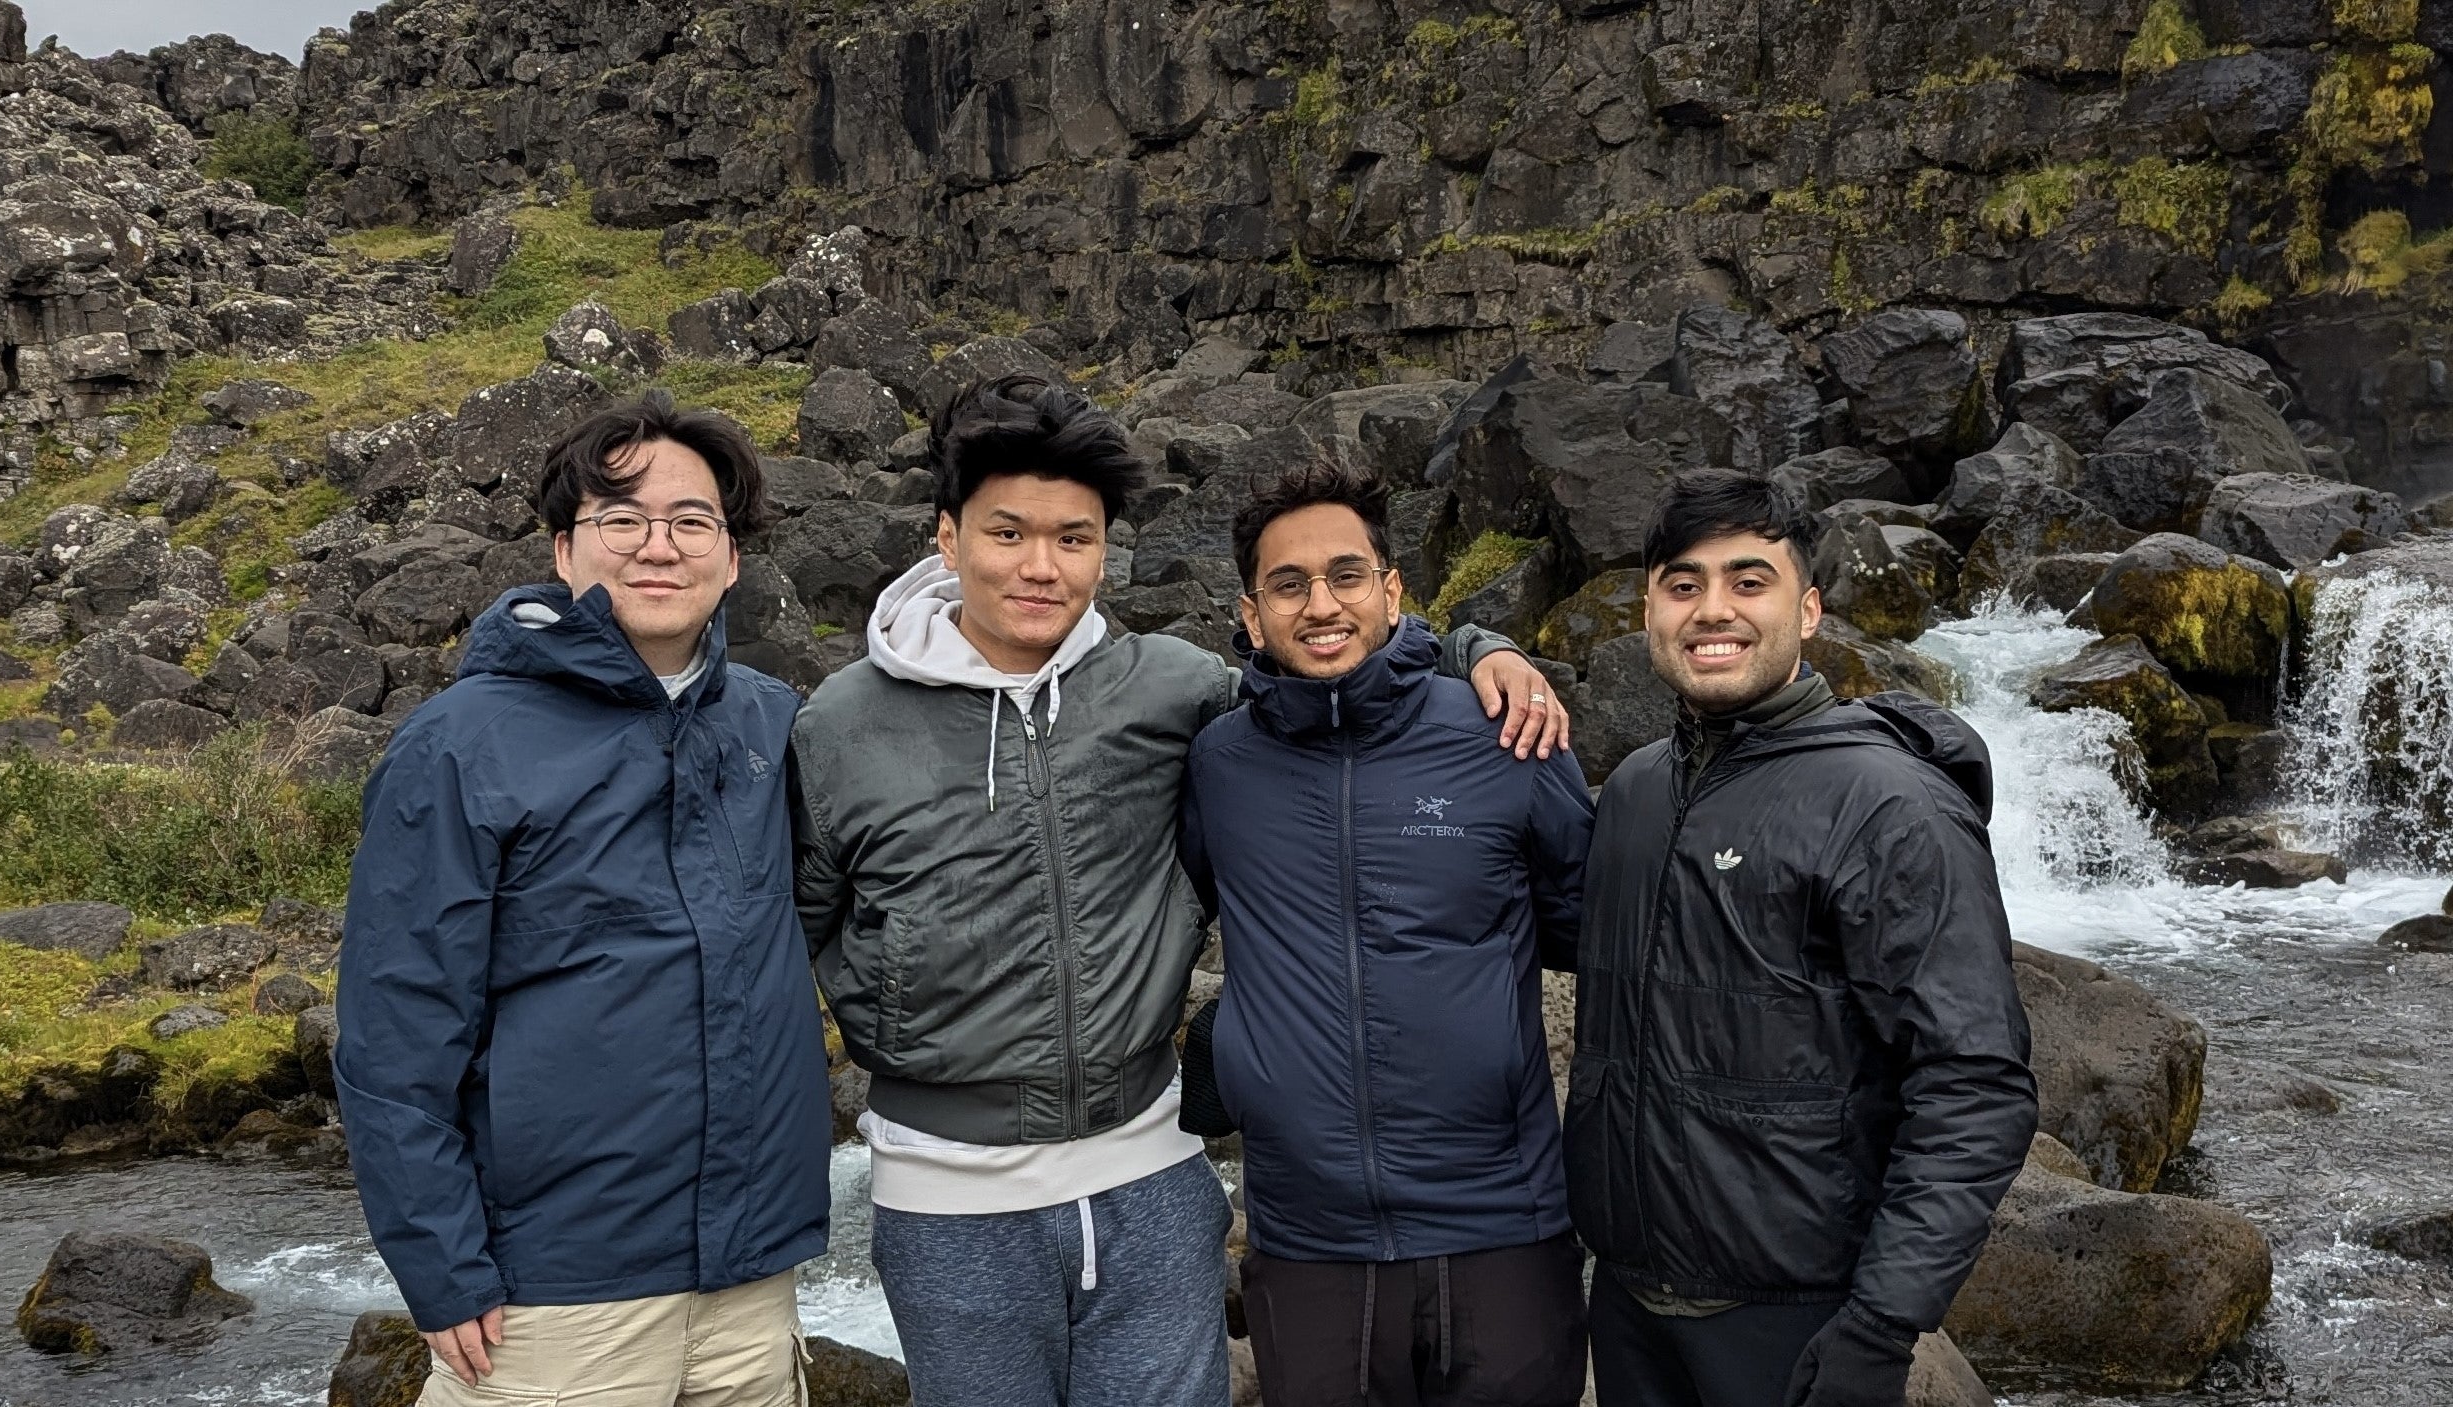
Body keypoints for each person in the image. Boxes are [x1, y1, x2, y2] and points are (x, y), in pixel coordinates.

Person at [789, 373, 1569, 1407]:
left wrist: (1480, 648)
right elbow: (794, 927)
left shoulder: (1173, 690)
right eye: (1007, 533)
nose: (1040, 564)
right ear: (946, 537)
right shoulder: (839, 724)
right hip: (943, 1191)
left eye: (1072, 538)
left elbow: (1326, 679)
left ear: (1104, 551)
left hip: (1150, 1171)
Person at [338, 391, 831, 1406]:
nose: (660, 546)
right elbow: (394, 1036)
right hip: (552, 1298)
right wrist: (440, 1267)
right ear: (565, 551)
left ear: (731, 558)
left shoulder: (772, 724)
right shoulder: (459, 744)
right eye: (622, 518)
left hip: (751, 1281)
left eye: (692, 521)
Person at [1565, 469, 2037, 1407]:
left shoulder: (1890, 806)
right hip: (1629, 1306)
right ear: (1649, 609)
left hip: (1796, 1318)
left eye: (1750, 581)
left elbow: (1975, 1082)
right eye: (1684, 583)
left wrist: (1881, 1323)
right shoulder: (1634, 792)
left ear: (1809, 608)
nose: (1714, 610)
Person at [1175, 454, 1596, 1406]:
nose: (1320, 604)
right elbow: (1191, 899)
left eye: (1346, 575)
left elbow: (1590, 936)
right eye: (1288, 585)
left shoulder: (1509, 734)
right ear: (1251, 614)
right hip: (1308, 1241)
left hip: (1504, 1226)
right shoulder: (1217, 763)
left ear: (1392, 589)